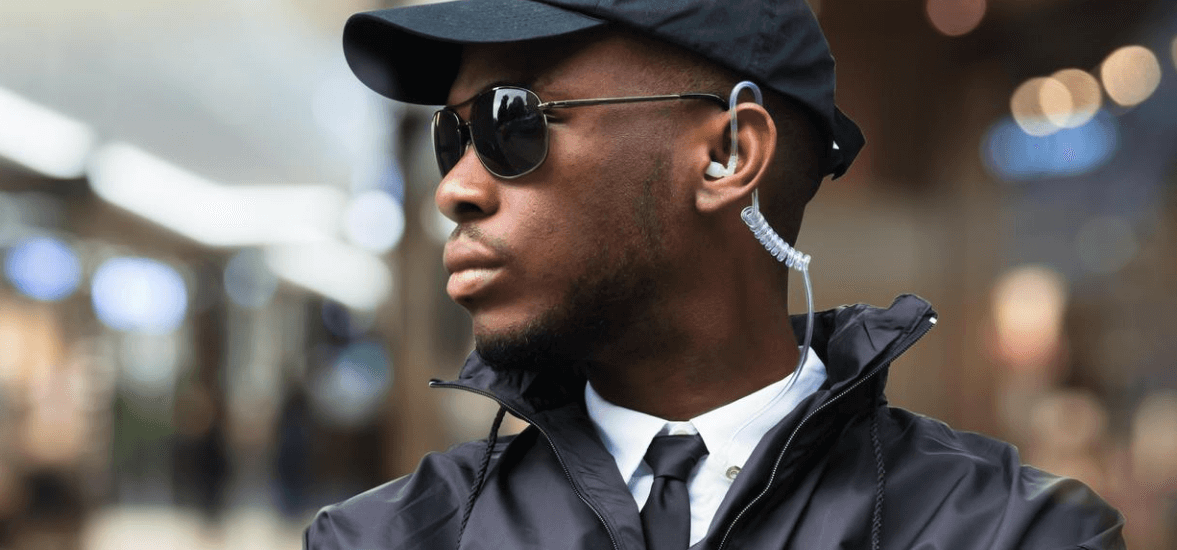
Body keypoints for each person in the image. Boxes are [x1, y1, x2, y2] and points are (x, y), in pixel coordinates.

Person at [306, 0, 1126, 548]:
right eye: (451, 138)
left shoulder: (1010, 532)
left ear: (730, 153)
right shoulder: (386, 538)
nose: (454, 188)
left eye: (509, 120)